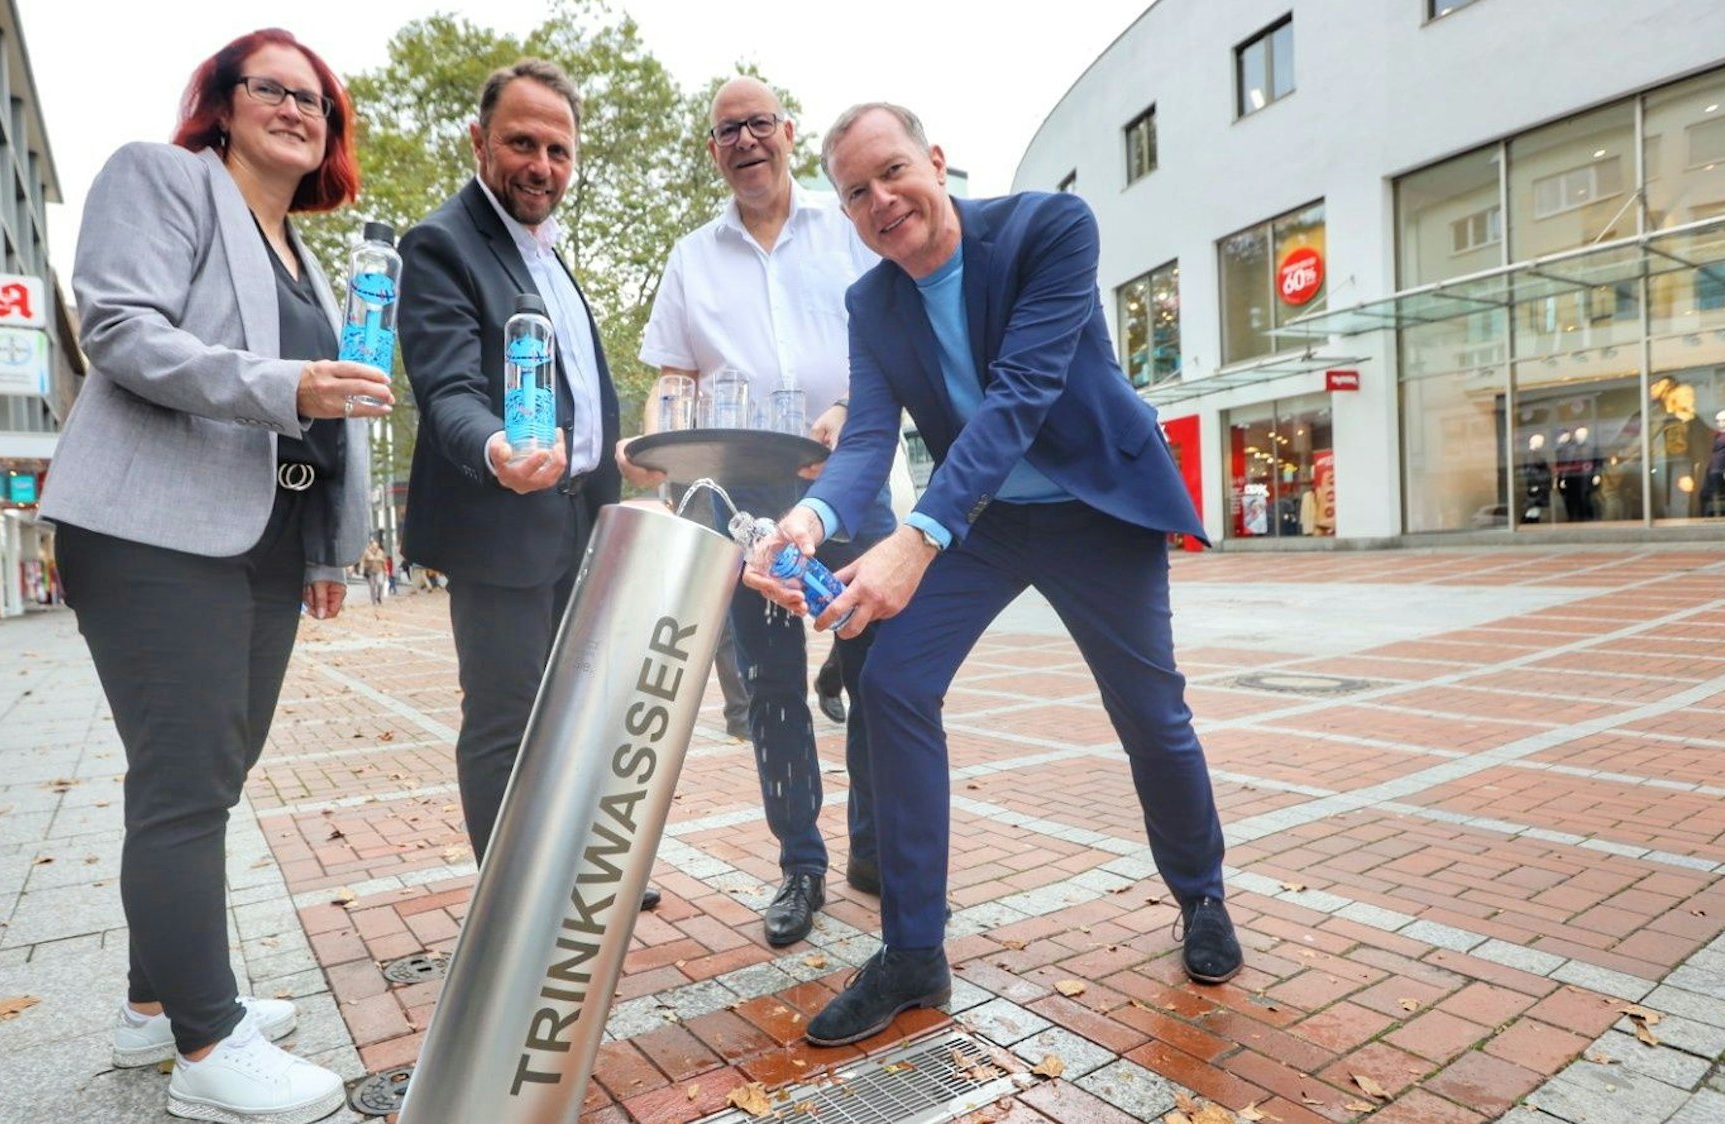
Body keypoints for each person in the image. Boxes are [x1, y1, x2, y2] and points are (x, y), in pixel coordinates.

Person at [744, 102, 1240, 1047]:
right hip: (990, 519)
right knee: (889, 683)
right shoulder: (871, 304)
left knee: (1149, 711)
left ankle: (1201, 895)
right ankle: (912, 953)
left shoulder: (1049, 230)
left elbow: (1020, 396)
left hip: (1095, 507)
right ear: (846, 213)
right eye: (856, 193)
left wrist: (918, 535)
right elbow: (865, 441)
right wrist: (806, 523)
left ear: (935, 161)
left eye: (894, 172)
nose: (882, 200)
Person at [38, 28, 388, 1123]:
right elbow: (121, 331)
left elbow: (337, 410)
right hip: (153, 527)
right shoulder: (163, 178)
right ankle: (203, 1041)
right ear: (222, 102)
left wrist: (333, 543)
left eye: (315, 100)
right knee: (185, 783)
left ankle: (154, 998)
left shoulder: (307, 255)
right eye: (271, 89)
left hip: (267, 538)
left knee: (206, 777)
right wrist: (289, 383)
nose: (295, 109)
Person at [619, 77, 894, 948]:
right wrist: (654, 438)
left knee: (878, 679)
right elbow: (672, 380)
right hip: (744, 502)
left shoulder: (846, 229)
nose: (745, 141)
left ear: (786, 131)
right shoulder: (689, 258)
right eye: (727, 130)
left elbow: (892, 343)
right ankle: (800, 866)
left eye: (758, 125)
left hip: (849, 480)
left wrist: (856, 410)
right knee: (773, 691)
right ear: (713, 149)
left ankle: (874, 849)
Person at [397, 59, 659, 908]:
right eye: (520, 142)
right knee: (506, 722)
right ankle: (514, 906)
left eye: (557, 149)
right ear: (478, 141)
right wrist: (498, 449)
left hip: (582, 523)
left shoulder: (545, 252)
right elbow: (449, 392)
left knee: (579, 713)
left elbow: (579, 383)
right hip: (501, 522)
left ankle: (575, 867)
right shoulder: (440, 243)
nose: (540, 164)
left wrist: (614, 451)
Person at [360, 538, 388, 605]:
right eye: (374, 547)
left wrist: (386, 570)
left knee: (380, 583)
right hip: (370, 571)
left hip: (379, 570)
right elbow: (362, 561)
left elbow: (384, 562)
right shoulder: (367, 552)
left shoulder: (381, 552)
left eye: (376, 547)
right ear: (371, 546)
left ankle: (379, 596)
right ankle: (373, 601)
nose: (375, 548)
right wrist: (361, 569)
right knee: (372, 586)